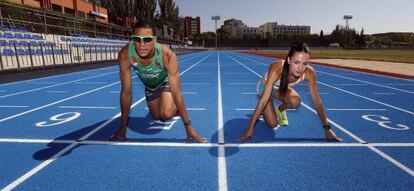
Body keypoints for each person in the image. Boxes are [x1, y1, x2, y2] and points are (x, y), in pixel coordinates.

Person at [110, 21, 205, 143]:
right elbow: (126, 92)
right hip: (150, 86)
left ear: (155, 40)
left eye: (147, 39)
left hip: (165, 82)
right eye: (137, 39)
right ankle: (164, 101)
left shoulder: (167, 55)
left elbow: (177, 93)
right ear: (132, 39)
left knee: (165, 114)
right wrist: (123, 128)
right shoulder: (125, 55)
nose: (142, 45)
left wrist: (189, 127)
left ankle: (175, 108)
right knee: (156, 116)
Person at [238, 42, 342, 142]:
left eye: (304, 63)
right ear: (289, 60)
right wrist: (250, 129)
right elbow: (264, 99)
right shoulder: (277, 68)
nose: (300, 68)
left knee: (295, 101)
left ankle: (280, 109)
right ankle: (263, 111)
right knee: (273, 124)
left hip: (281, 89)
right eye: (296, 62)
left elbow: (317, 102)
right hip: (265, 88)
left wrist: (327, 128)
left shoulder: (310, 73)